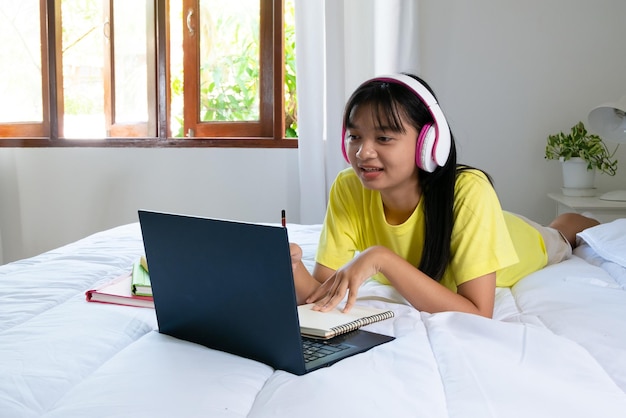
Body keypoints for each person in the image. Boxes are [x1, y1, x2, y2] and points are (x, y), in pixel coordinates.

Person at [290, 73, 599, 319]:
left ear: (428, 142)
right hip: (483, 225)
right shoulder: (348, 187)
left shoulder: (469, 190)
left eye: (383, 137)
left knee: (562, 232)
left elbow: (478, 312)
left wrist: (381, 258)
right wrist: (291, 266)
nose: (362, 152)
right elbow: (321, 293)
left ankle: (571, 224)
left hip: (521, 240)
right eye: (354, 136)